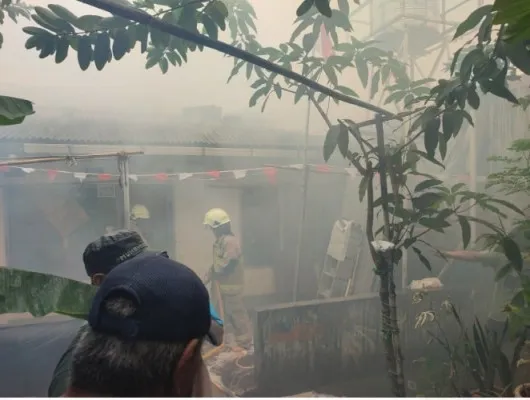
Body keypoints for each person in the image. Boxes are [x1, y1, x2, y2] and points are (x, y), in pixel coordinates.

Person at [48, 230, 223, 397]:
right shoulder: (82, 354)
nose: (153, 275)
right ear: (99, 281)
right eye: (137, 269)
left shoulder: (156, 322)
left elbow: (216, 329)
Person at [441, 225, 529, 334]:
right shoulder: (503, 258)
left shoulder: (502, 258)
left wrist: (445, 253)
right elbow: (473, 256)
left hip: (503, 319)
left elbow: (473, 256)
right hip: (506, 319)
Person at [203, 208, 252, 350]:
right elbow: (217, 265)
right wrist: (205, 278)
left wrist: (215, 272)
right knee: (222, 317)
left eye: (212, 228)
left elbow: (227, 263)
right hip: (222, 288)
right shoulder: (221, 241)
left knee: (237, 316)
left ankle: (246, 345)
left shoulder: (230, 242)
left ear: (218, 227)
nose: (212, 231)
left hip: (231, 288)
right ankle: (224, 343)